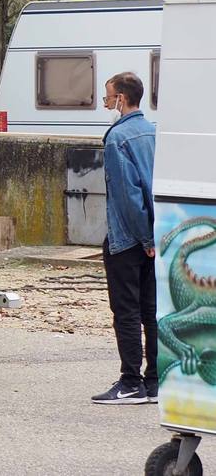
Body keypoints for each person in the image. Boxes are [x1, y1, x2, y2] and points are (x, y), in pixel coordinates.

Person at [92, 71, 158, 405]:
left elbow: (126, 194)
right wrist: (154, 237)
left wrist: (143, 237)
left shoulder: (117, 138)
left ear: (120, 98)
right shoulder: (153, 131)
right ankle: (155, 380)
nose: (106, 104)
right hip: (156, 234)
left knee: (126, 311)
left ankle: (131, 380)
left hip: (127, 238)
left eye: (107, 98)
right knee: (152, 310)